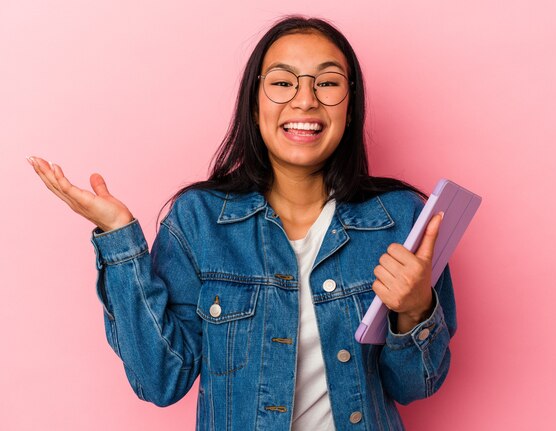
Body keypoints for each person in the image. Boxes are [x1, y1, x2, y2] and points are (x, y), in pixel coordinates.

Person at [28, 15, 456, 431]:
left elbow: (415, 386)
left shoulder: (401, 219)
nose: (305, 100)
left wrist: (416, 309)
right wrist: (120, 241)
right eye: (283, 82)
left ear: (350, 104)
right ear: (254, 106)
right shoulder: (198, 221)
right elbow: (161, 380)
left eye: (326, 83)